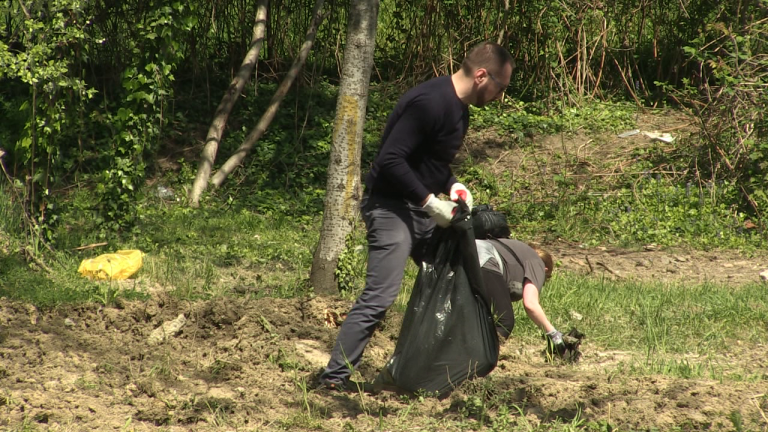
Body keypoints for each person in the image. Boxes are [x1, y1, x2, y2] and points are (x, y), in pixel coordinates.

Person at [318, 41, 515, 391]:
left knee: (456, 275)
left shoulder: (460, 112)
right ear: (482, 75)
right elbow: (390, 161)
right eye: (502, 87)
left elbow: (430, 165)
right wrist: (429, 202)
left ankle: (442, 371)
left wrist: (453, 186)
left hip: (419, 208)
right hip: (390, 207)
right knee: (381, 293)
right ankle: (333, 379)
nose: (502, 96)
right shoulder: (429, 102)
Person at [473, 238, 565, 352]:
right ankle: (480, 359)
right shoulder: (537, 262)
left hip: (462, 249)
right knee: (503, 322)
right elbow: (530, 304)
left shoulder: (518, 256)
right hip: (483, 257)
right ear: (545, 270)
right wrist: (553, 334)